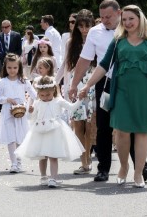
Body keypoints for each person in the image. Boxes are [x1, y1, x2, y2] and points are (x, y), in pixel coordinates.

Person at [79, 5, 147, 188]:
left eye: (131, 19)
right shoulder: (118, 40)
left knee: (142, 132)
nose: (128, 23)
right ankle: (123, 167)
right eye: (125, 19)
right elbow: (104, 65)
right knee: (122, 131)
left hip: (146, 93)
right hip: (121, 91)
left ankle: (138, 174)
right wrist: (88, 85)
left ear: (140, 19)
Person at [15, 76, 85, 187]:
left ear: (53, 90)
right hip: (40, 132)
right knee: (42, 155)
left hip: (55, 132)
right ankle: (43, 176)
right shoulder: (38, 103)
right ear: (38, 94)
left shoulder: (58, 101)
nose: (45, 97)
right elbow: (31, 118)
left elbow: (71, 108)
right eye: (42, 95)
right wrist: (30, 111)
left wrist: (80, 100)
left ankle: (53, 178)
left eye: (48, 95)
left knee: (53, 155)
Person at [56, 10, 97, 174]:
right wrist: (56, 81)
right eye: (81, 26)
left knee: (90, 125)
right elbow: (66, 65)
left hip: (92, 83)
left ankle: (88, 156)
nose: (84, 29)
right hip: (75, 84)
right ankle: (84, 161)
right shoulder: (70, 43)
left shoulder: (96, 41)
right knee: (78, 125)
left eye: (87, 26)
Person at [0, 54, 37, 173]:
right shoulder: (3, 82)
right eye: (9, 68)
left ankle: (19, 162)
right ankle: (13, 163)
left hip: (21, 113)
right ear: (5, 68)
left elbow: (34, 95)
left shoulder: (23, 81)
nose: (12, 70)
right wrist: (7, 99)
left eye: (15, 68)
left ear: (19, 68)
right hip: (8, 113)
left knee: (19, 139)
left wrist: (31, 104)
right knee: (11, 138)